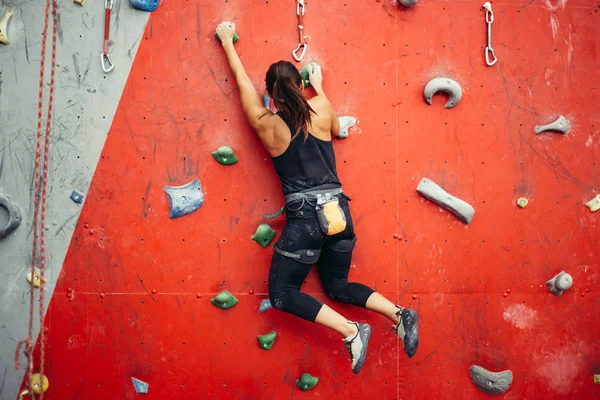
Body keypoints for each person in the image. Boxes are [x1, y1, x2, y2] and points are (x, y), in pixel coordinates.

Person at [216, 22, 418, 374]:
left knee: (281, 294)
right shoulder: (322, 107)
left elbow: (243, 86)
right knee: (338, 286)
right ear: (300, 86)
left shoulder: (267, 123)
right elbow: (337, 128)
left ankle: (352, 330)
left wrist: (226, 43)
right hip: (339, 213)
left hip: (306, 219)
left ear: (272, 95)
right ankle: (399, 313)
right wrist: (319, 87)